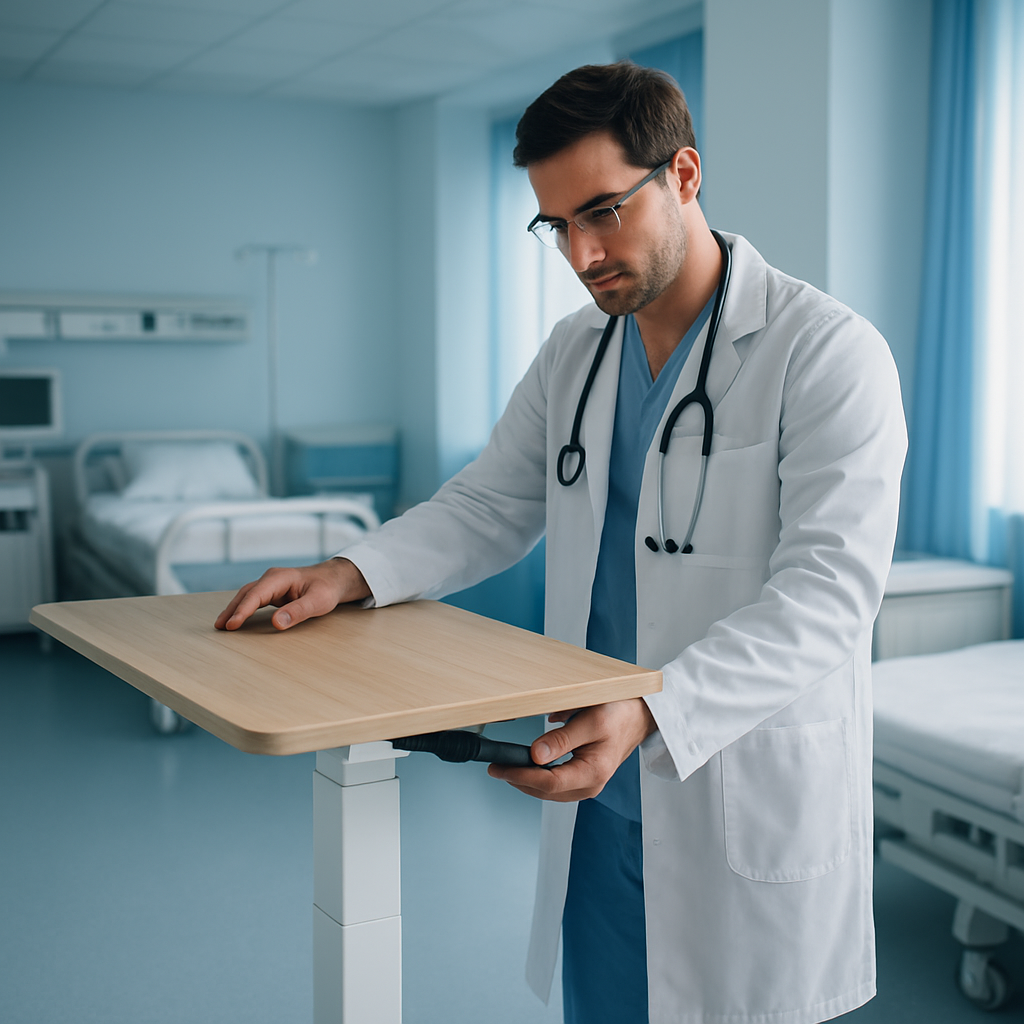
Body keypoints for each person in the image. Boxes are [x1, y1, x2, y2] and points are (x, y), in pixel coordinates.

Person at [217, 62, 906, 1024]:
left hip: (729, 775)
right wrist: (350, 573)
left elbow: (830, 594)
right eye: (557, 226)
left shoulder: (825, 352)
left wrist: (657, 712)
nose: (582, 253)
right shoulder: (577, 354)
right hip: (599, 788)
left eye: (605, 211)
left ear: (685, 175)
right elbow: (491, 503)